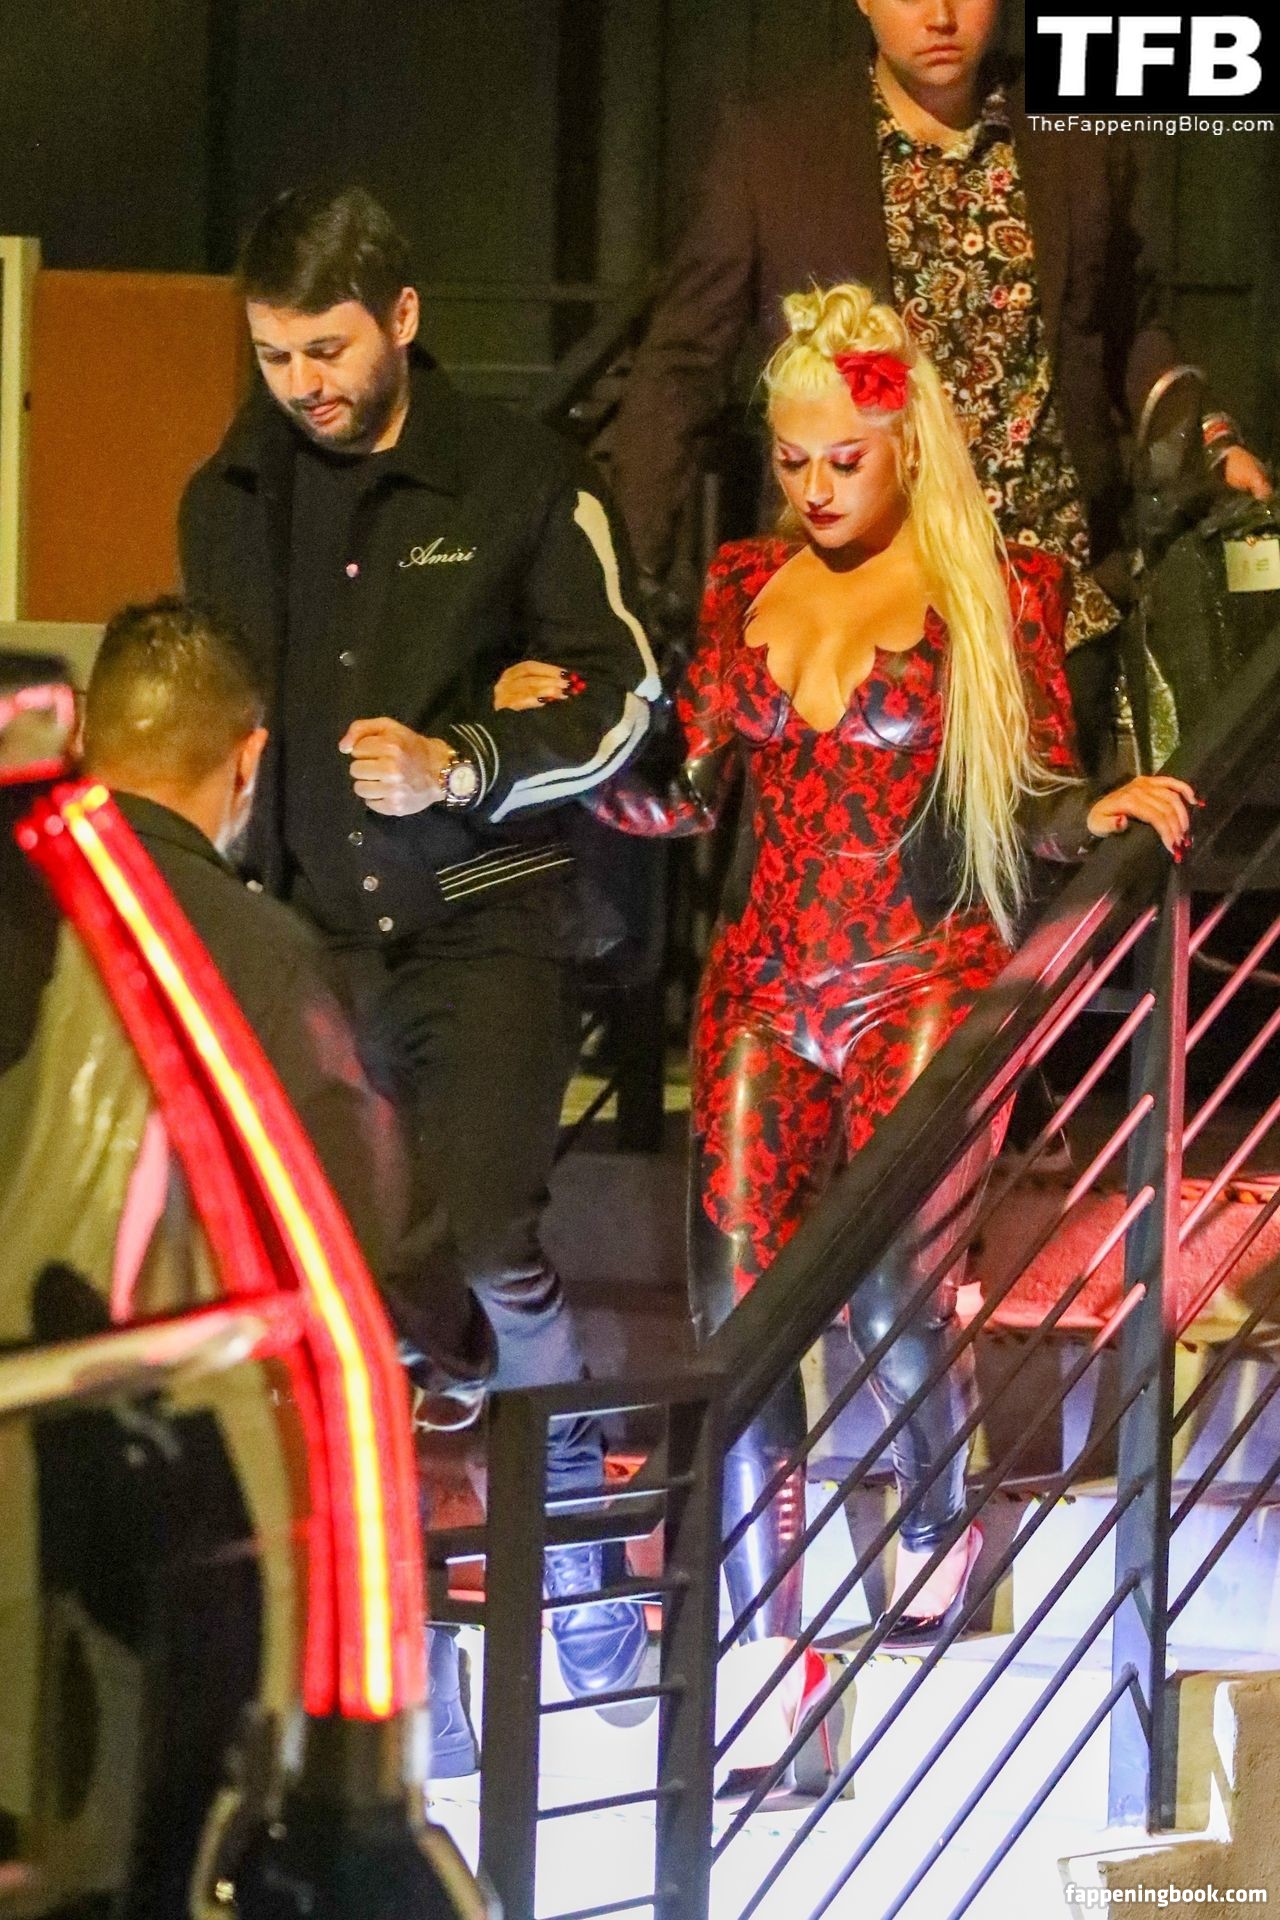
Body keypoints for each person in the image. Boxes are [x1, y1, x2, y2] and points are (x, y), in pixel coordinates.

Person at [503, 284, 1193, 1702]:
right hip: (764, 985)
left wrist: (1102, 807)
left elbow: (1030, 790)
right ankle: (771, 1646)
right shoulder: (746, 582)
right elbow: (685, 797)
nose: (815, 486)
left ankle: (942, 1518)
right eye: (794, 459)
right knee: (739, 1316)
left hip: (924, 972)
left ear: (905, 443)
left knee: (887, 1289)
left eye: (844, 458)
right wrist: (561, 746)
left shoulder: (995, 585)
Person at [178, 186, 659, 1716]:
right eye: (274, 356)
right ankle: (407, 1624)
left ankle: (571, 1527)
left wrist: (464, 759)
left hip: (485, 916)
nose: (304, 385)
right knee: (335, 1287)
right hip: (304, 939)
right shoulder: (228, 493)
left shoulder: (517, 474)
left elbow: (627, 691)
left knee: (490, 1235)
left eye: (326, 349)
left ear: (401, 316)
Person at [611, 0, 1270, 773]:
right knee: (861, 841)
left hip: (1045, 594)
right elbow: (682, 365)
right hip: (860, 606)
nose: (941, 15)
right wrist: (624, 582)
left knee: (1051, 838)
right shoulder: (778, 147)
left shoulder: (1074, 133)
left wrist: (1207, 434)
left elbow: (1130, 324)